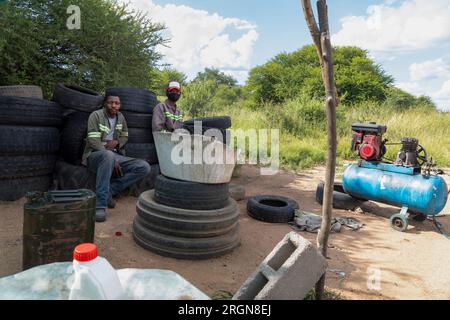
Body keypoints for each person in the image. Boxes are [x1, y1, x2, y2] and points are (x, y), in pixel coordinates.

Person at [82, 95, 151, 222]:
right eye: (110, 103)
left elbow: (125, 135)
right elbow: (93, 140)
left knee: (144, 167)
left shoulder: (121, 117)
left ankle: (110, 190)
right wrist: (112, 158)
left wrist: (117, 142)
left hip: (115, 154)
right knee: (108, 156)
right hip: (95, 155)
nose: (114, 105)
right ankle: (100, 206)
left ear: (120, 105)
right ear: (105, 104)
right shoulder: (96, 115)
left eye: (117, 103)